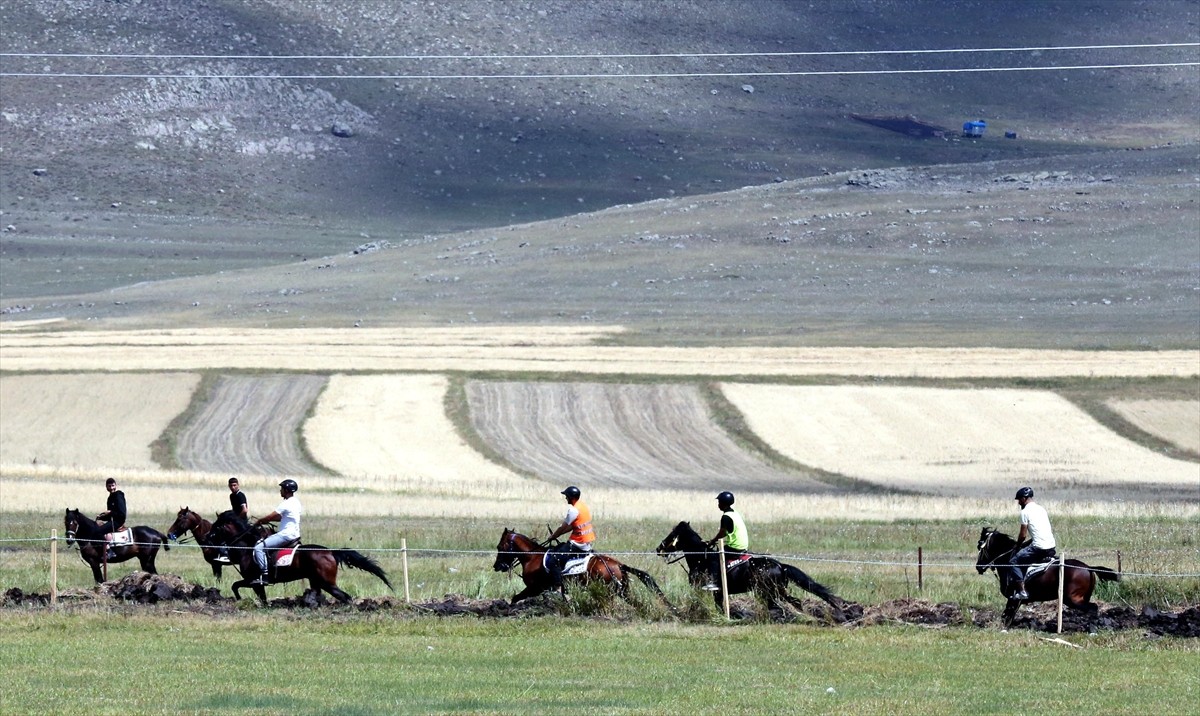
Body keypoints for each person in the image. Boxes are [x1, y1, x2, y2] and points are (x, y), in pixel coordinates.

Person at [250, 479, 302, 586]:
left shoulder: (286, 503)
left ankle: (264, 575)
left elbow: (271, 516)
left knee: (259, 548)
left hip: (285, 535)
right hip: (295, 535)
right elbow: (280, 518)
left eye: (282, 488)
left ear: (286, 490)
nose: (280, 491)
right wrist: (267, 520)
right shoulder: (296, 502)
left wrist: (260, 521)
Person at [1007, 486, 1056, 600]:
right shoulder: (1041, 509)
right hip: (1051, 546)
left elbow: (1023, 535)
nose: (1019, 503)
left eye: (1019, 500)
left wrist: (1017, 546)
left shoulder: (1025, 512)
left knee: (1014, 561)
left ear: (1024, 498)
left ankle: (1022, 591)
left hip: (1039, 548)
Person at [545, 486, 595, 588]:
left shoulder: (573, 510)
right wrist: (558, 534)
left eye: (566, 496)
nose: (565, 498)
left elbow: (562, 527)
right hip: (587, 541)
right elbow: (572, 526)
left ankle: (558, 588)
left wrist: (553, 536)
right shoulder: (582, 506)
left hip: (578, 543)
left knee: (554, 559)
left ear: (571, 497)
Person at [702, 491, 748, 590]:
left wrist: (712, 541)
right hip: (742, 545)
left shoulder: (726, 517)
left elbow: (722, 533)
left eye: (719, 502)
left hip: (735, 546)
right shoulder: (734, 513)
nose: (718, 504)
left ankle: (714, 582)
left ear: (723, 503)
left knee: (714, 556)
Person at [214, 477, 249, 563]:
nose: (233, 487)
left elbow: (244, 510)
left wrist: (237, 519)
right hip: (235, 520)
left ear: (238, 485)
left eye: (234, 485)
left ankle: (226, 553)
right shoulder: (232, 496)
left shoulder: (240, 495)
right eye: (231, 486)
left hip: (241, 521)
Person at [94, 477, 126, 561]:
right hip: (113, 520)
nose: (111, 488)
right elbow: (110, 515)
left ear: (116, 485)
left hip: (118, 521)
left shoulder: (118, 495)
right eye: (109, 486)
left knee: (98, 532)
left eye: (113, 485)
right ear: (106, 487)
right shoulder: (110, 498)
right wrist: (101, 517)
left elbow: (122, 513)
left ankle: (109, 551)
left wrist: (110, 512)